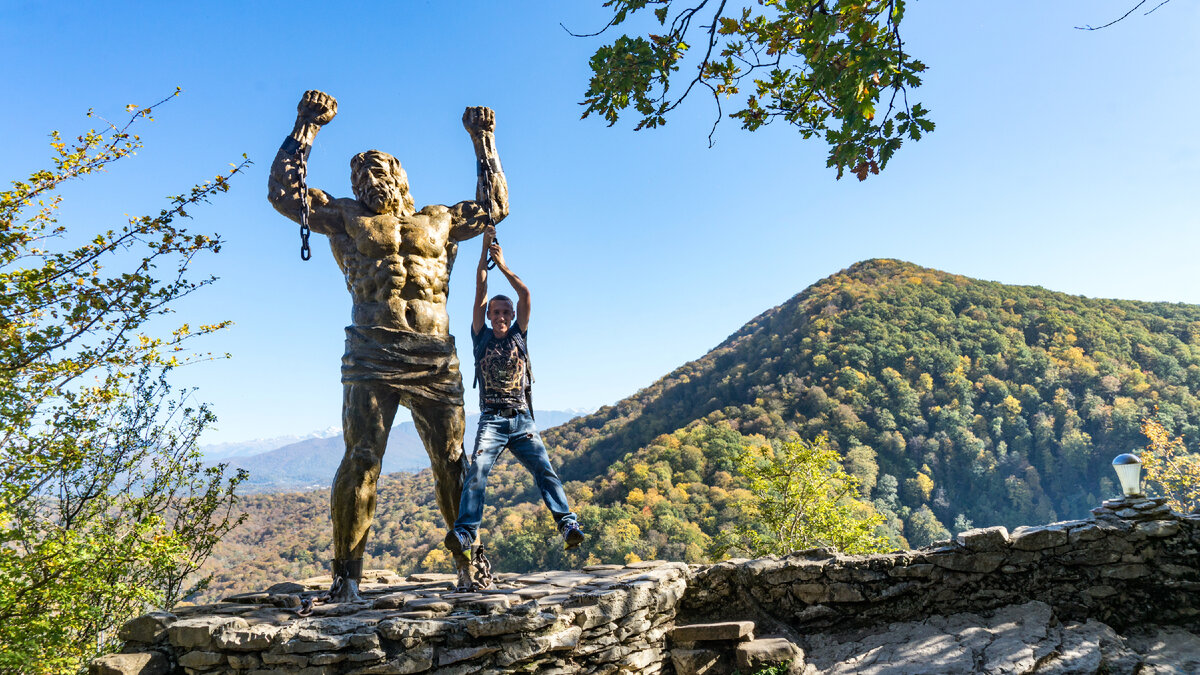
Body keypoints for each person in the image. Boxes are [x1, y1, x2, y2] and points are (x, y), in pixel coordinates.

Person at [267, 90, 508, 601]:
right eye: (359, 177)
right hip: (371, 350)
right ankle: (345, 578)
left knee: (451, 459)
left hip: (434, 353)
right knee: (362, 458)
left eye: (377, 173)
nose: (367, 182)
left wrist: (483, 141)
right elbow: (285, 196)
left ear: (399, 177)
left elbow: (495, 207)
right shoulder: (346, 216)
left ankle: (470, 564)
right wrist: (306, 125)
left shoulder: (439, 218)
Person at [444, 227, 583, 587]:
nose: (502, 315)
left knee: (545, 471)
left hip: (521, 420)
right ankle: (464, 533)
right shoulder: (481, 337)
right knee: (478, 475)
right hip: (491, 420)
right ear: (488, 316)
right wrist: (482, 257)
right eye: (496, 311)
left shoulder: (520, 333)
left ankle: (567, 523)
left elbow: (525, 293)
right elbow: (478, 292)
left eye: (506, 311)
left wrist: (502, 264)